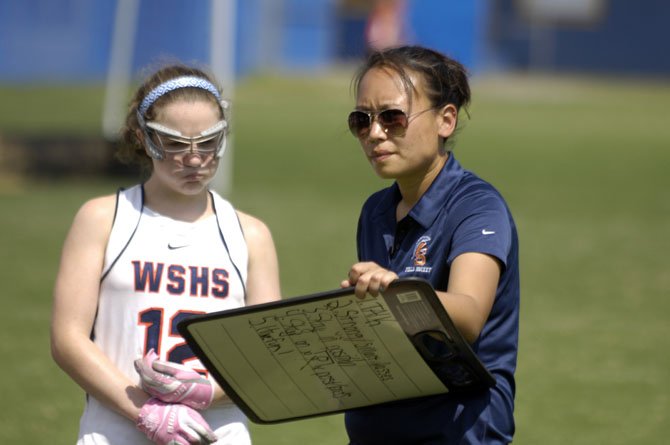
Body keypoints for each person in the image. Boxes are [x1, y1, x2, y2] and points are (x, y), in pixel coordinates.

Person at [51, 64, 281, 445]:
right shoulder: (102, 218)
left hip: (217, 433)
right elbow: (67, 339)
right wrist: (146, 412)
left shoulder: (251, 235)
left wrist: (208, 393)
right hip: (115, 434)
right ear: (144, 138)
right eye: (175, 143)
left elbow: (265, 354)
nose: (194, 159)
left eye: (208, 142)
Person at [340, 45, 520, 444]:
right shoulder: (375, 211)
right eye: (361, 120)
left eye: (393, 117)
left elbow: (470, 315)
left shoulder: (478, 205)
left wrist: (394, 289)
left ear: (446, 120)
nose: (374, 133)